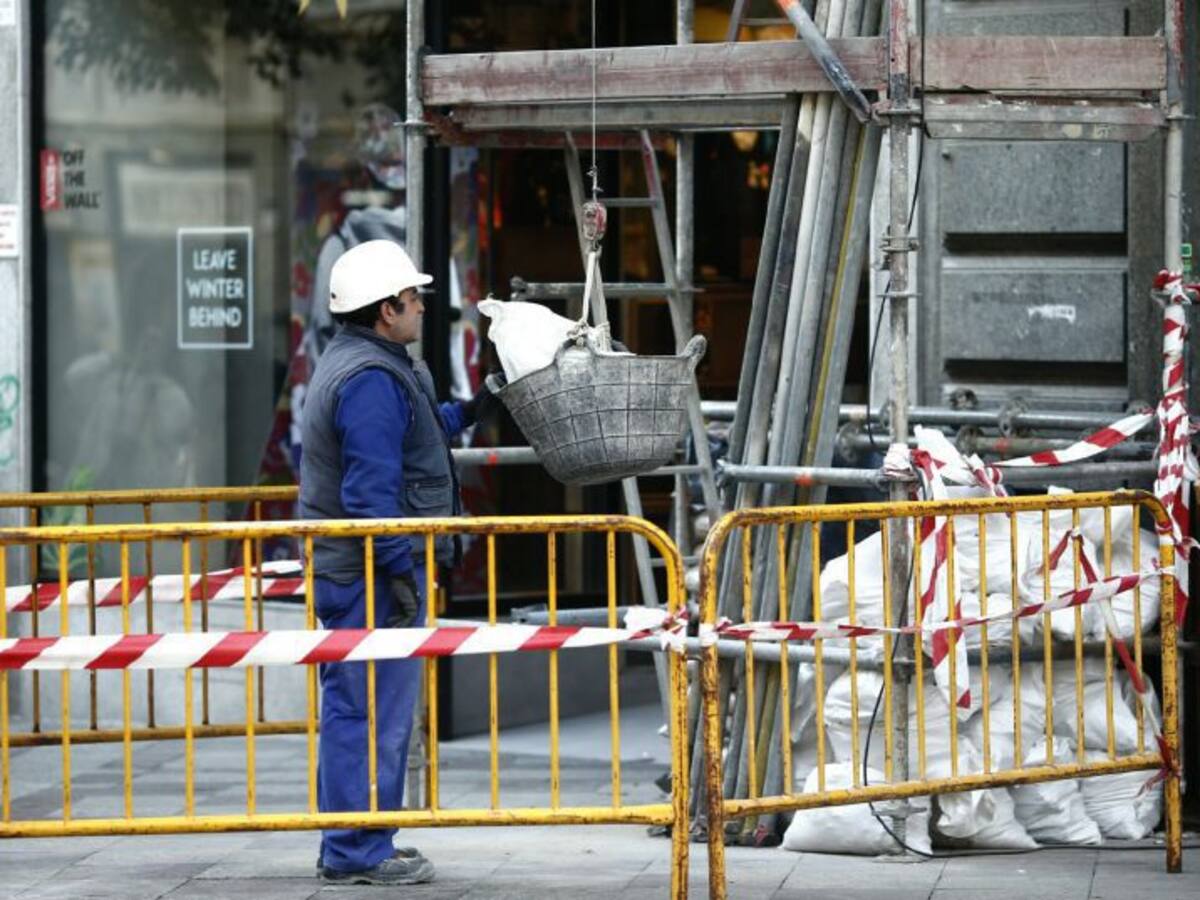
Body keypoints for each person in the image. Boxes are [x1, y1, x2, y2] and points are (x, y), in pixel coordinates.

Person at [299, 239, 493, 886]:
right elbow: (370, 499)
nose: (421, 308)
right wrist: (402, 576)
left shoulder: (371, 364)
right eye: (413, 298)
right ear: (387, 309)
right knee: (368, 708)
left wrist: (471, 410)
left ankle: (359, 841)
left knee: (362, 705)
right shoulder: (371, 380)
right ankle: (358, 850)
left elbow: (415, 432)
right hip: (370, 576)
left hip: (362, 572)